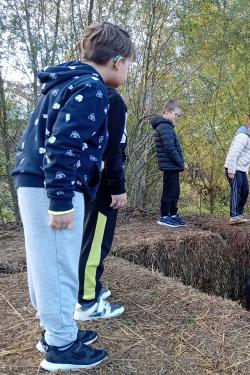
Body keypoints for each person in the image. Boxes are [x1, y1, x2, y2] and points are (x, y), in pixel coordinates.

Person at [11, 22, 135, 372]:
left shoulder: (67, 83)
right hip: (51, 185)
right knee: (59, 263)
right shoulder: (91, 89)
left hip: (35, 180)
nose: (127, 71)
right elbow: (63, 145)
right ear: (115, 60)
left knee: (44, 262)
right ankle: (61, 347)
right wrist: (62, 200)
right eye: (128, 64)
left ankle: (56, 332)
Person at [74, 83, 128, 321]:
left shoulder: (84, 93)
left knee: (88, 238)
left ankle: (90, 288)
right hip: (104, 183)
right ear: (116, 62)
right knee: (97, 242)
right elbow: (112, 148)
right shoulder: (112, 99)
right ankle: (87, 302)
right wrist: (117, 186)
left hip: (88, 179)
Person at [152, 100, 186, 228]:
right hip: (170, 165)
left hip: (173, 166)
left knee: (175, 190)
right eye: (176, 114)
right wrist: (180, 162)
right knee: (169, 191)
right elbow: (169, 148)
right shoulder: (164, 127)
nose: (177, 118)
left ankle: (172, 214)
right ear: (167, 111)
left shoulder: (168, 127)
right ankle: (165, 216)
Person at [224, 116, 250, 224]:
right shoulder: (242, 137)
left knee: (245, 191)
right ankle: (233, 216)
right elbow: (233, 154)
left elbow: (245, 158)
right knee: (237, 190)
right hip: (234, 168)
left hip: (241, 169)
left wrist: (245, 171)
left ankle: (239, 214)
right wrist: (231, 170)